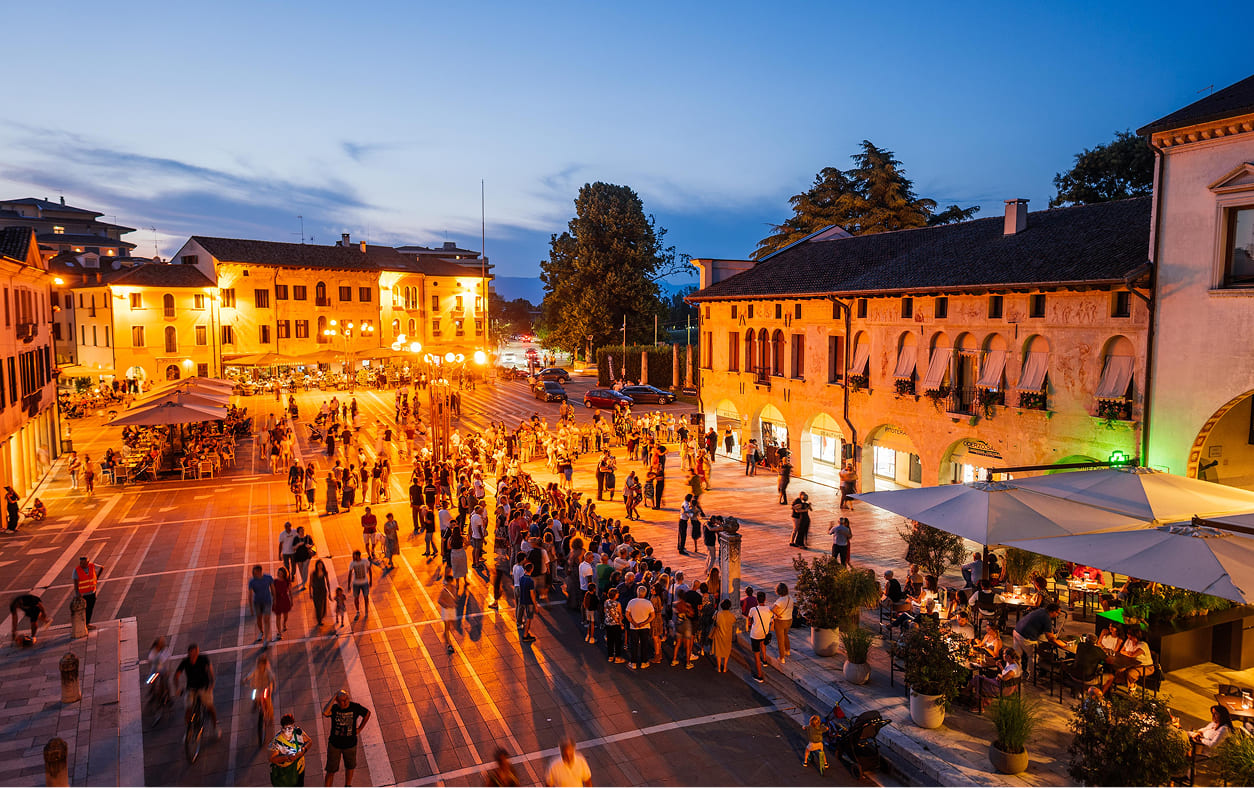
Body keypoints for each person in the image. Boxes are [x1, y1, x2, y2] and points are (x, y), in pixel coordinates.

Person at [322, 689, 371, 787]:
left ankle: (348, 785)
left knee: (350, 766)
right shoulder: (335, 708)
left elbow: (367, 713)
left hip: (350, 744)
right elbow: (325, 713)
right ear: (337, 701)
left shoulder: (355, 707)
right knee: (331, 770)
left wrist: (360, 728)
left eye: (346, 699)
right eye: (341, 701)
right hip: (334, 745)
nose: (345, 702)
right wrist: (334, 698)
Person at [174, 643, 220, 738]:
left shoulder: (203, 659)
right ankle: (188, 730)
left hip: (204, 687)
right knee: (188, 709)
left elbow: (210, 671)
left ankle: (215, 727)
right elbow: (177, 675)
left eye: (196, 653)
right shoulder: (185, 662)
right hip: (191, 688)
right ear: (189, 653)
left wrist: (212, 683)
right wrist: (177, 687)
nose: (195, 655)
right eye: (192, 653)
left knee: (210, 707)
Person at [1013, 602, 1064, 678]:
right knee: (1033, 656)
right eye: (1057, 613)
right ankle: (1032, 676)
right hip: (1026, 637)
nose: (1057, 615)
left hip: (1017, 631)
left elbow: (1049, 630)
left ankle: (1015, 674)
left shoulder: (1041, 611)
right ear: (1053, 611)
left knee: (1016, 656)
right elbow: (1050, 638)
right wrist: (1062, 645)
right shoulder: (1046, 618)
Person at [1104, 628, 1154, 693]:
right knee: (1118, 671)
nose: (1128, 635)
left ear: (1135, 635)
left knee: (1131, 673)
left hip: (1146, 667)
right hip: (1131, 664)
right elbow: (1121, 651)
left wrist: (1128, 653)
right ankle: (1111, 687)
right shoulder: (1128, 641)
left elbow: (1133, 655)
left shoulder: (1143, 645)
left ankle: (1132, 687)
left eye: (1129, 634)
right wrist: (1129, 653)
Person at [269, 713, 311, 787]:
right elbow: (272, 758)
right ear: (282, 728)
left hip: (299, 770)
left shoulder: (298, 732)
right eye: (286, 729)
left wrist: (303, 750)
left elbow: (309, 741)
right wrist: (287, 757)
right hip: (286, 774)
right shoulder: (277, 741)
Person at [624, 585, 654, 670]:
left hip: (634, 627)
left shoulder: (631, 602)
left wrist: (633, 622)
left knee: (634, 644)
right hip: (645, 627)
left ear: (637, 592)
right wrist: (644, 623)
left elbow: (627, 614)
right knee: (644, 645)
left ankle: (633, 662)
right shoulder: (648, 603)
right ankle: (644, 662)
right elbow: (652, 616)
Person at [747, 590, 773, 682]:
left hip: (755, 634)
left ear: (757, 600)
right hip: (764, 632)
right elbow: (771, 620)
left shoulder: (753, 610)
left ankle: (759, 675)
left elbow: (749, 619)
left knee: (756, 654)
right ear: (765, 599)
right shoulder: (769, 609)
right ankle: (765, 660)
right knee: (763, 644)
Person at [72, 555, 104, 629]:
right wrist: (77, 594)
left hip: (92, 592)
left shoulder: (92, 566)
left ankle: (87, 624)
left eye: (84, 563)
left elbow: (102, 567)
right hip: (83, 594)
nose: (82, 564)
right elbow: (76, 584)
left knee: (90, 609)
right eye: (81, 563)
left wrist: (97, 578)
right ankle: (82, 624)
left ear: (88, 562)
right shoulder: (76, 570)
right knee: (82, 610)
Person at [246, 653, 277, 725]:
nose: (260, 666)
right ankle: (255, 703)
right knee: (254, 696)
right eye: (259, 664)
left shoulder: (268, 671)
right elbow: (251, 674)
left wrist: (272, 686)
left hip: (266, 688)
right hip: (257, 686)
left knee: (268, 703)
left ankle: (271, 717)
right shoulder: (256, 669)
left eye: (261, 664)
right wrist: (246, 678)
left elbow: (272, 678)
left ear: (264, 664)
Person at [249, 565, 276, 645]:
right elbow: (250, 595)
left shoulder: (268, 578)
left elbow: (273, 589)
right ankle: (261, 631)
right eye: (253, 573)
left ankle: (266, 638)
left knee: (266, 619)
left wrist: (275, 599)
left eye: (254, 573)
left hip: (267, 601)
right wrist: (251, 608)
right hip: (257, 602)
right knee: (259, 619)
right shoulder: (252, 581)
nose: (253, 574)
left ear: (260, 572)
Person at [711, 598, 737, 673]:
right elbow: (734, 620)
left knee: (718, 652)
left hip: (719, 635)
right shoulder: (731, 615)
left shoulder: (718, 614)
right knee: (726, 652)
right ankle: (725, 667)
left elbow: (713, 619)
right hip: (727, 635)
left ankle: (719, 667)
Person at [772, 583, 793, 664]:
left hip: (781, 621)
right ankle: (787, 650)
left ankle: (782, 657)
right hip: (789, 620)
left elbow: (773, 609)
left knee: (780, 640)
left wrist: (777, 615)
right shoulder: (789, 598)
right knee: (785, 635)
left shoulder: (779, 601)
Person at [438, 570, 458, 654]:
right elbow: (439, 600)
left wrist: (454, 604)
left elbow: (455, 598)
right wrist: (446, 605)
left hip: (452, 610)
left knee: (453, 625)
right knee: (447, 628)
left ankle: (447, 637)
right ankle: (449, 645)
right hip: (446, 610)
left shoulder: (454, 589)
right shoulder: (444, 591)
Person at [348, 550, 372, 621]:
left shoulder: (365, 561)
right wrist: (349, 585)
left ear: (358, 555)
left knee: (366, 597)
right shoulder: (352, 563)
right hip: (356, 583)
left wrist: (371, 580)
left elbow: (369, 570)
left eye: (354, 555)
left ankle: (366, 610)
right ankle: (357, 611)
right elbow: (349, 574)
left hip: (364, 583)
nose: (353, 557)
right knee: (356, 598)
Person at [602, 587, 625, 664]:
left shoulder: (606, 602)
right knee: (617, 641)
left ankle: (610, 656)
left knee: (610, 640)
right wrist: (621, 623)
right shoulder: (618, 604)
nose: (618, 594)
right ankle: (617, 657)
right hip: (616, 624)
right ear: (615, 595)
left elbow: (605, 610)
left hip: (608, 624)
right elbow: (620, 614)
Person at [273, 567, 293, 639]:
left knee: (285, 615)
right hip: (278, 600)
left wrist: (291, 599)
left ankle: (284, 623)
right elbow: (273, 592)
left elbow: (290, 591)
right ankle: (279, 632)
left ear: (284, 574)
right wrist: (274, 600)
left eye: (281, 573)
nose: (279, 574)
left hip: (285, 599)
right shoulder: (275, 581)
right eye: (279, 572)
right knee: (278, 617)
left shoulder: (287, 581)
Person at [310, 560, 330, 625]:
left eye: (321, 565)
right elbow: (310, 583)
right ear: (316, 566)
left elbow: (327, 582)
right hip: (316, 592)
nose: (320, 566)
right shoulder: (313, 573)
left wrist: (329, 591)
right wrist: (310, 593)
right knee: (317, 606)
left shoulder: (325, 572)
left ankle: (321, 617)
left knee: (323, 606)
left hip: (323, 591)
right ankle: (319, 620)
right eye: (318, 565)